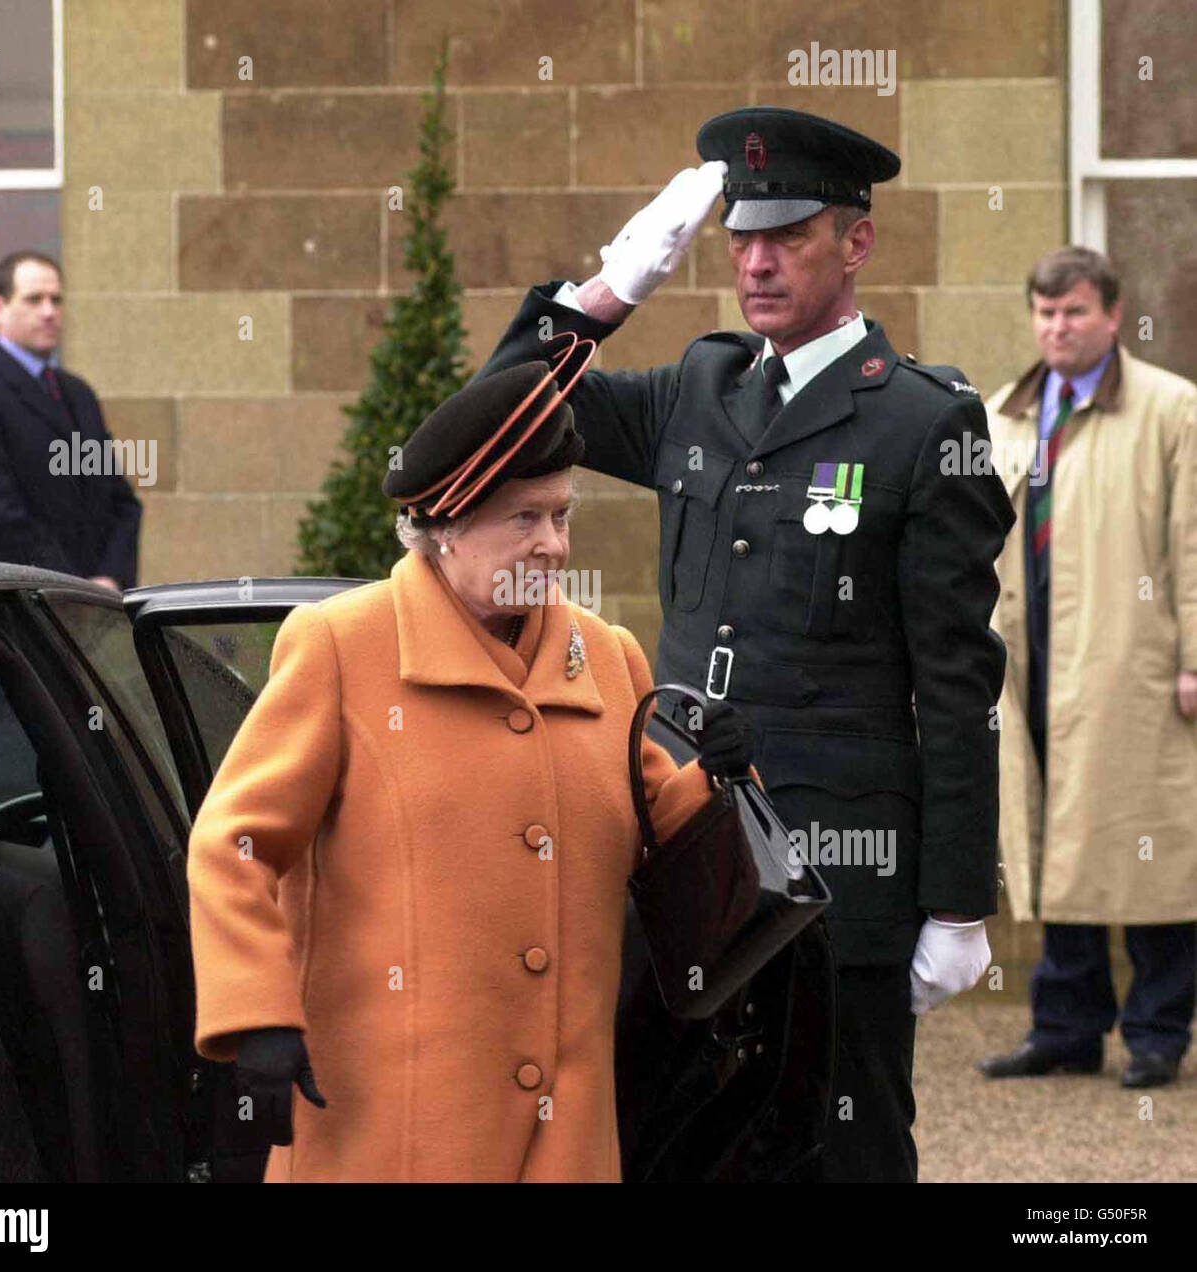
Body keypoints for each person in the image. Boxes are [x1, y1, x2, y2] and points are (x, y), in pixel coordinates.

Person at [480, 106, 1015, 1182]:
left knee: (844, 1149)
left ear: (854, 242)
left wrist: (957, 899)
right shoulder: (700, 389)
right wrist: (607, 293)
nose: (757, 262)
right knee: (678, 1141)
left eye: (788, 235)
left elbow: (957, 683)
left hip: (835, 864)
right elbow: (499, 421)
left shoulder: (921, 423)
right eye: (739, 238)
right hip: (685, 844)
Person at [185, 362, 755, 1182]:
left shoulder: (608, 657)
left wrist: (721, 779)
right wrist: (259, 1017)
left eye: (561, 516)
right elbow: (234, 840)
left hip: (566, 1135)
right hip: (391, 1124)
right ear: (447, 522)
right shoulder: (344, 647)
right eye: (524, 518)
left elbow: (665, 842)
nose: (552, 545)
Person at [978, 247, 1197, 1089]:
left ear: (1112, 314)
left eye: (1073, 312)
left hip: (1127, 658)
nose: (1057, 328)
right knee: (1053, 838)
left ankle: (1156, 1033)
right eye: (1044, 313)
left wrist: (1191, 657)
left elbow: (1190, 538)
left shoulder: (1170, 409)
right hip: (1028, 658)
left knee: (1150, 850)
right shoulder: (1005, 413)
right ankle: (1065, 1027)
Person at [0, 250, 142, 590]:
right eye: (34, 299)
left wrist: (111, 577)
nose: (49, 312)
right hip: (15, 610)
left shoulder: (79, 394)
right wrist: (74, 589)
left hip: (96, 608)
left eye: (56, 300)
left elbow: (120, 501)